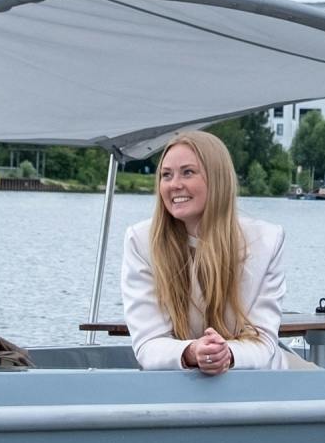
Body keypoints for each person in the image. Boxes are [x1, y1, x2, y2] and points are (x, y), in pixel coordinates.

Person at [121, 129, 290, 372]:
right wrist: (191, 352)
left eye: (188, 172)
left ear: (217, 178)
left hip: (259, 382)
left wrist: (227, 353)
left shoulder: (267, 240)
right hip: (177, 384)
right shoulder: (140, 241)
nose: (174, 184)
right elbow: (148, 343)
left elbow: (263, 340)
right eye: (166, 175)